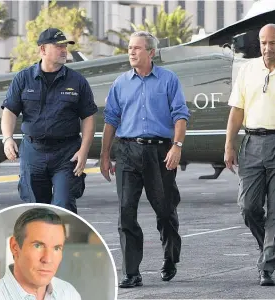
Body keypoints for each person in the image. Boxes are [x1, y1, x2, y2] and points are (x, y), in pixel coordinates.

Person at [100, 31, 190, 288]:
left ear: (151, 53)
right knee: (125, 212)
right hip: (127, 152)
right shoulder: (120, 83)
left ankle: (170, 258)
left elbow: (180, 115)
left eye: (137, 48)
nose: (131, 52)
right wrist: (105, 155)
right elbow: (111, 121)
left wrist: (177, 146)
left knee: (165, 210)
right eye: (129, 48)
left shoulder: (168, 79)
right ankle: (132, 272)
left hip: (159, 153)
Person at [224, 24, 275, 286]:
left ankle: (267, 266)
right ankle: (267, 246)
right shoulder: (247, 70)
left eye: (272, 43)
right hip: (251, 143)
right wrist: (229, 144)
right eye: (263, 43)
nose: (267, 48)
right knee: (248, 207)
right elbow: (237, 110)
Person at [0, 28, 98, 214]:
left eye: (65, 47)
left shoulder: (77, 81)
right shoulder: (23, 78)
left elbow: (88, 117)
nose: (64, 50)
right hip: (33, 152)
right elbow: (10, 111)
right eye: (58, 46)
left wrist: (84, 150)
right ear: (42, 50)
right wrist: (7, 138)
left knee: (64, 205)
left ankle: (65, 242)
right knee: (36, 209)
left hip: (66, 154)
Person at [0, 207, 81, 300]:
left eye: (56, 248)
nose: (47, 259)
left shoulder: (69, 294)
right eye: (38, 245)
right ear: (15, 247)